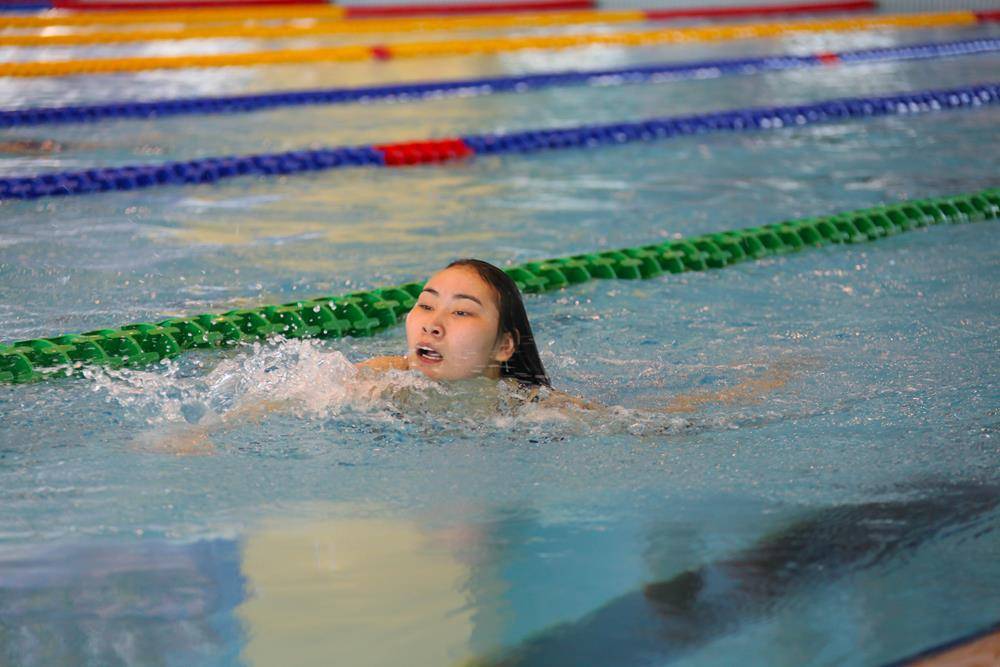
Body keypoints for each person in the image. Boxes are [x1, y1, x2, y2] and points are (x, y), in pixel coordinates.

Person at [358, 258, 793, 412]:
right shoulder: (380, 379)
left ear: (505, 346)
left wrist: (761, 389)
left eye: (461, 312)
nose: (432, 323)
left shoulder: (533, 410)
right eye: (426, 304)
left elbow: (654, 424)